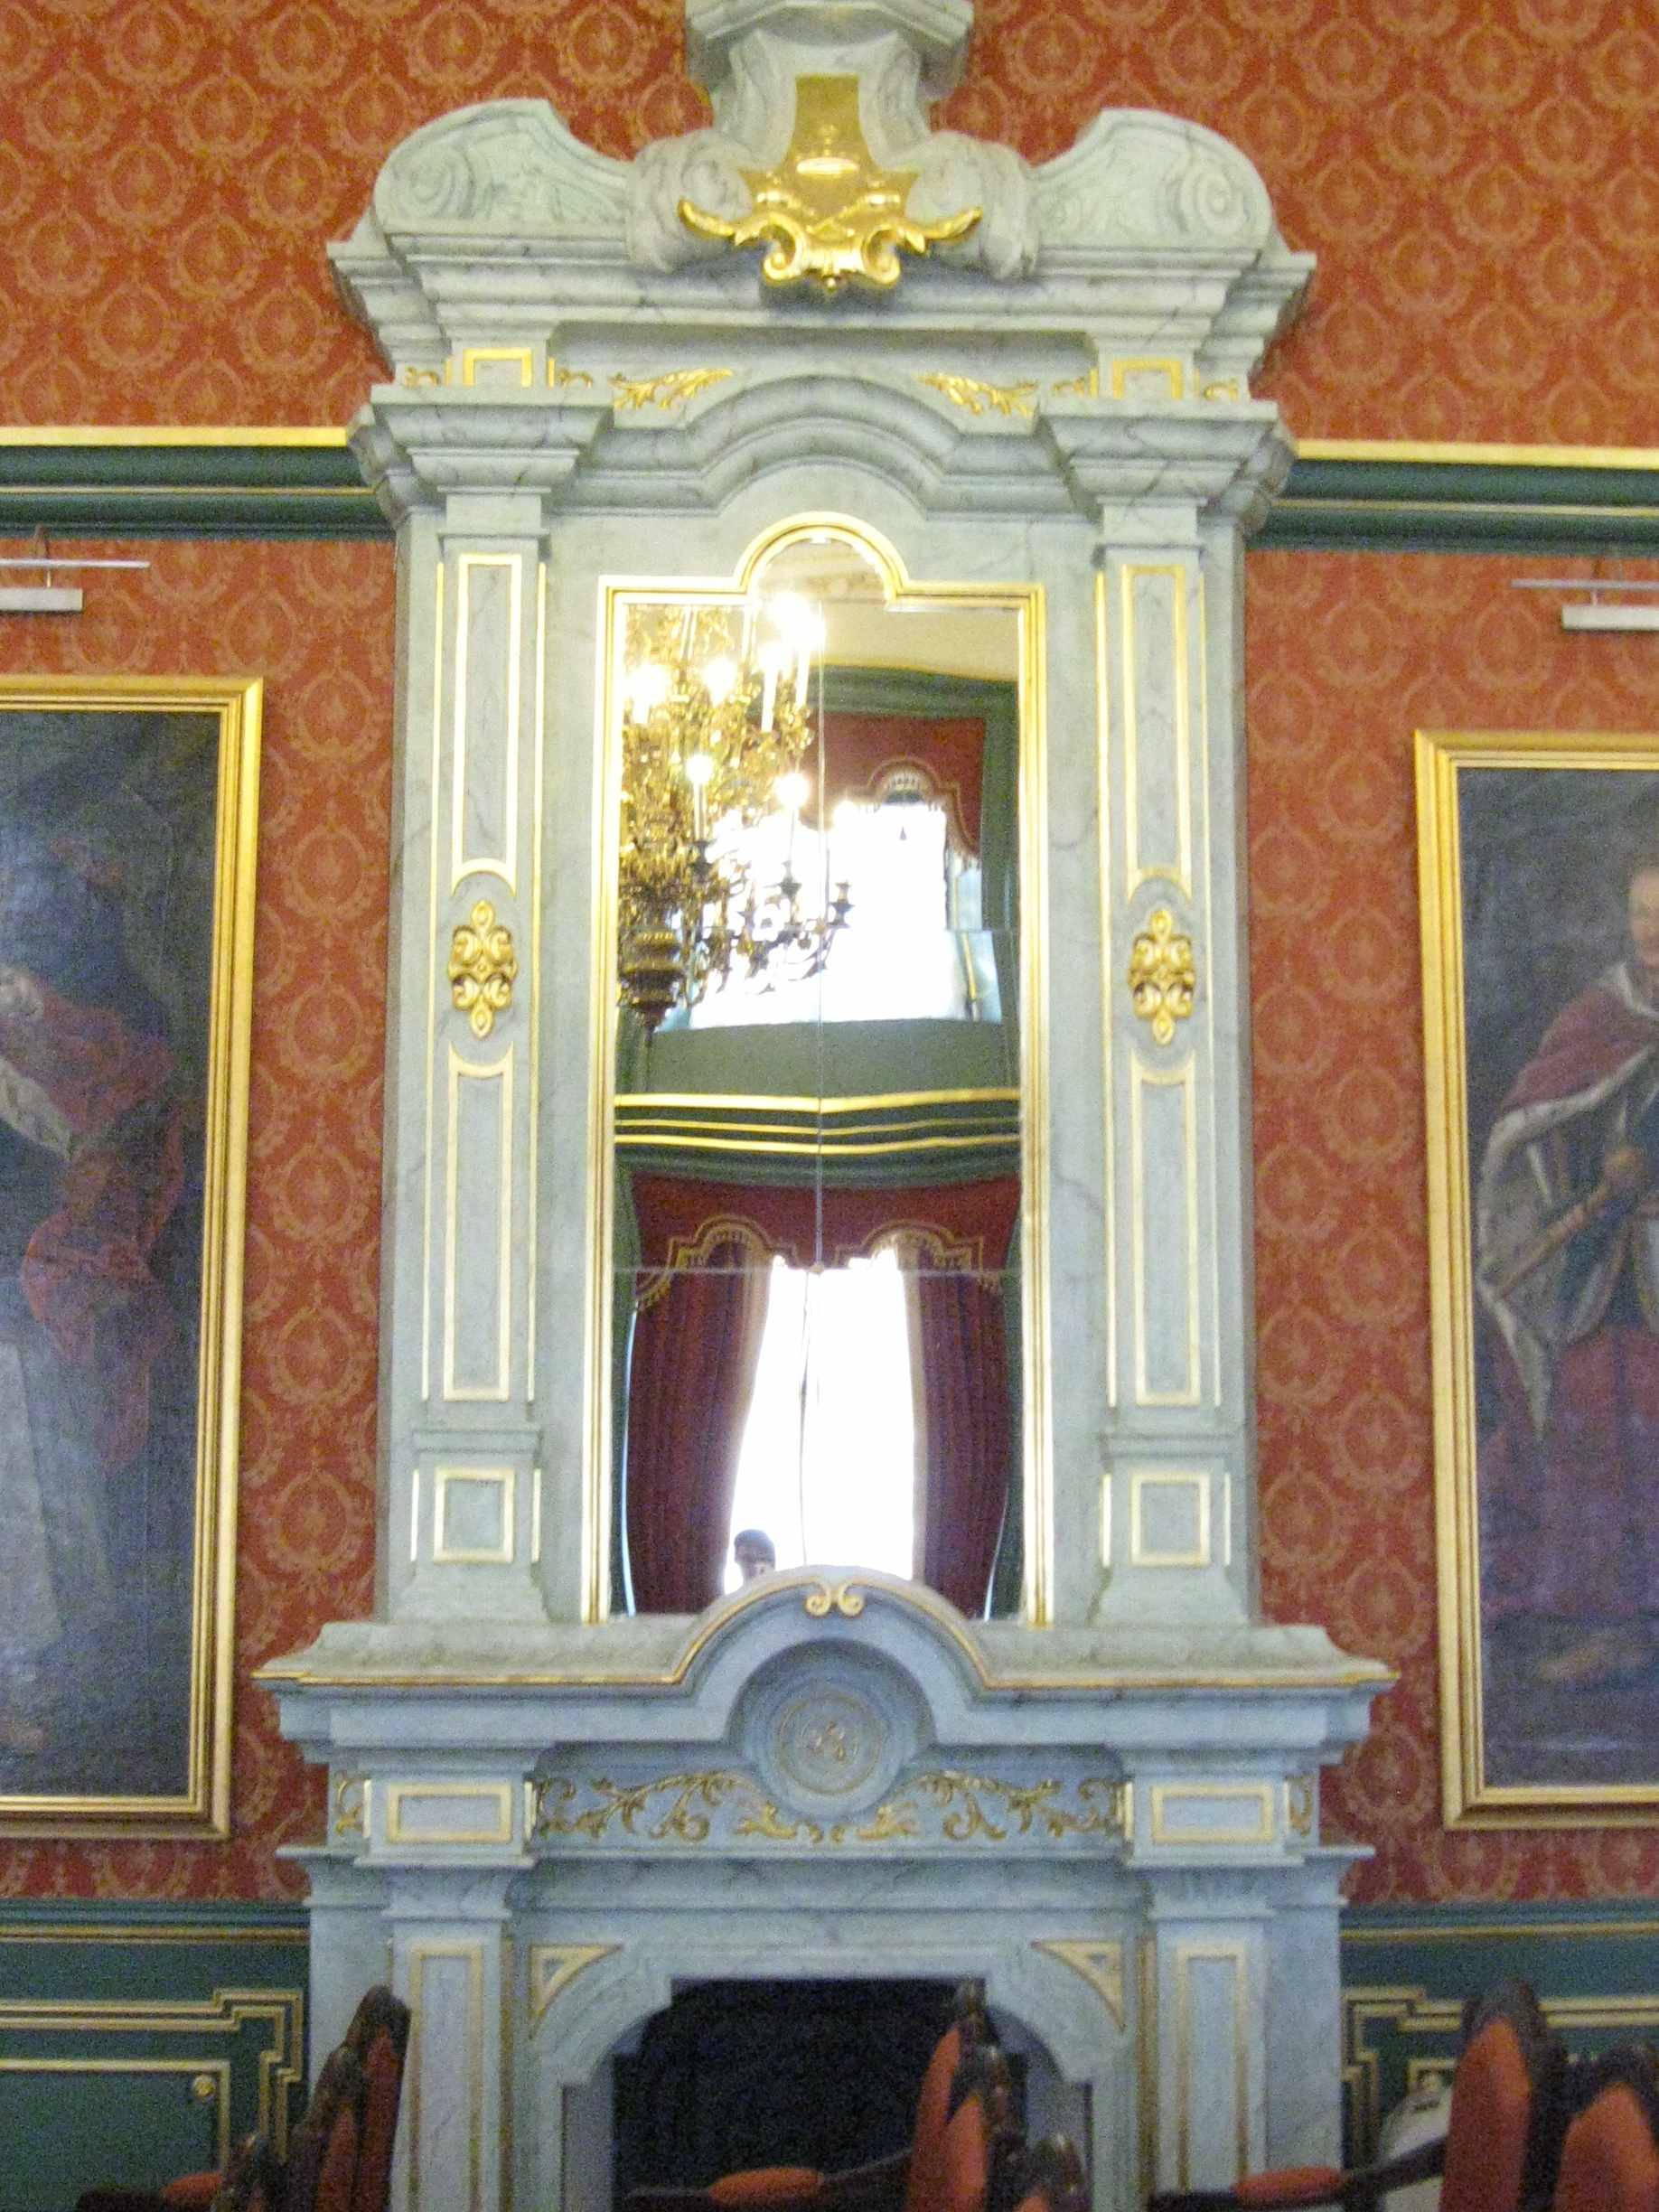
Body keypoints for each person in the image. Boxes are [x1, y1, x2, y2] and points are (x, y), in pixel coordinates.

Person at [1476, 858, 1659, 1688]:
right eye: (1641, 912)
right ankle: (1614, 1628)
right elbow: (1538, 1120)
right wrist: (1595, 1171)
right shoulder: (1600, 1017)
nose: (1652, 930)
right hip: (1613, 1258)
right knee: (1595, 1409)